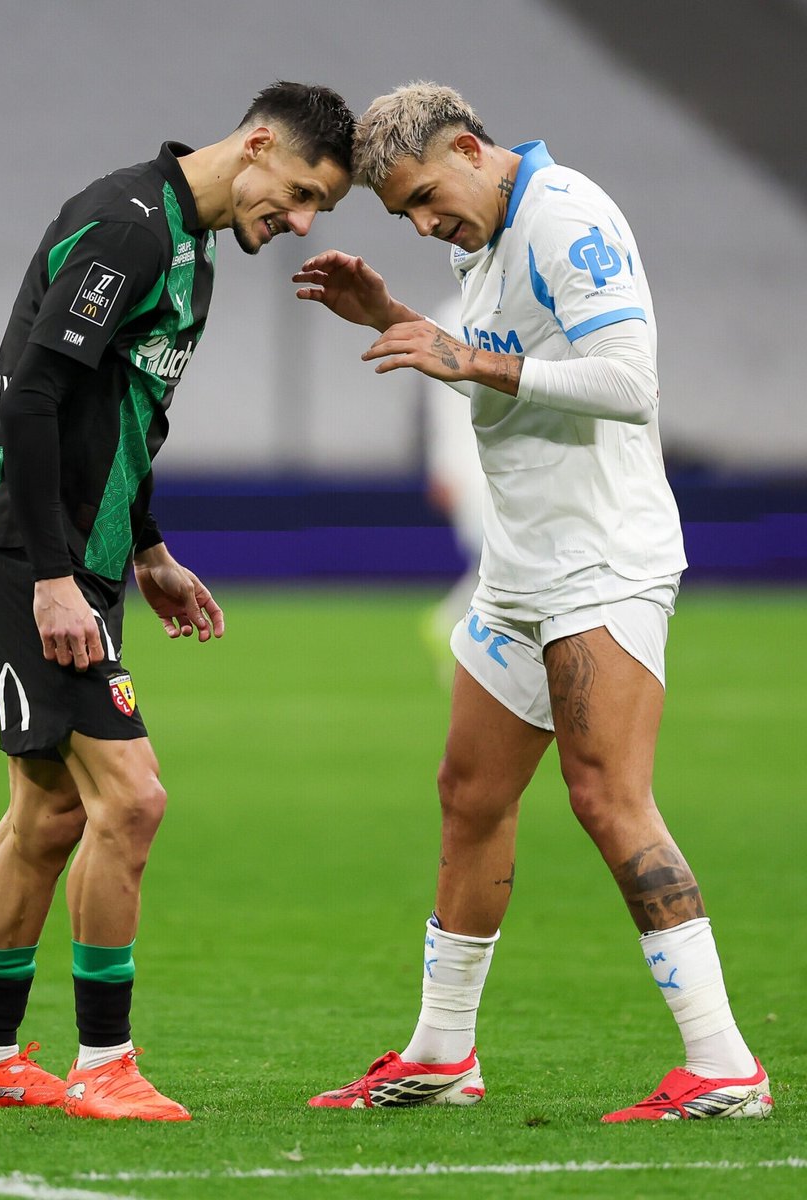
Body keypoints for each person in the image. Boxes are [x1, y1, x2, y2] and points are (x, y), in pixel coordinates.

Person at [293, 83, 771, 1122]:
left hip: (601, 560)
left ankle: (726, 1066)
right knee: (469, 794)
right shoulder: (487, 238)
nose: (424, 226)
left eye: (424, 198)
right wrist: (397, 320)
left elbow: (628, 379)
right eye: (404, 218)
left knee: (608, 799)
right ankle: (441, 1055)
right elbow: (510, 379)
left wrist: (467, 353)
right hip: (522, 568)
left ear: (468, 147)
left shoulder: (565, 214)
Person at [0, 81, 354, 1121]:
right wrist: (51, 576)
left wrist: (153, 550)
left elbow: (122, 418)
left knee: (45, 815)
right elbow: (33, 395)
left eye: (319, 211)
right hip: (29, 552)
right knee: (131, 800)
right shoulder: (125, 227)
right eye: (302, 192)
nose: (299, 223)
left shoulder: (192, 254)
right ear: (257, 144)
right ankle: (104, 1066)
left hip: (82, 556)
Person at [416, 295, 485, 685]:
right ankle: (452, 626)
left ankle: (452, 629)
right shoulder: (452, 317)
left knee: (495, 565)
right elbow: (443, 405)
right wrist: (443, 466)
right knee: (499, 565)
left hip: (483, 467)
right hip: (475, 470)